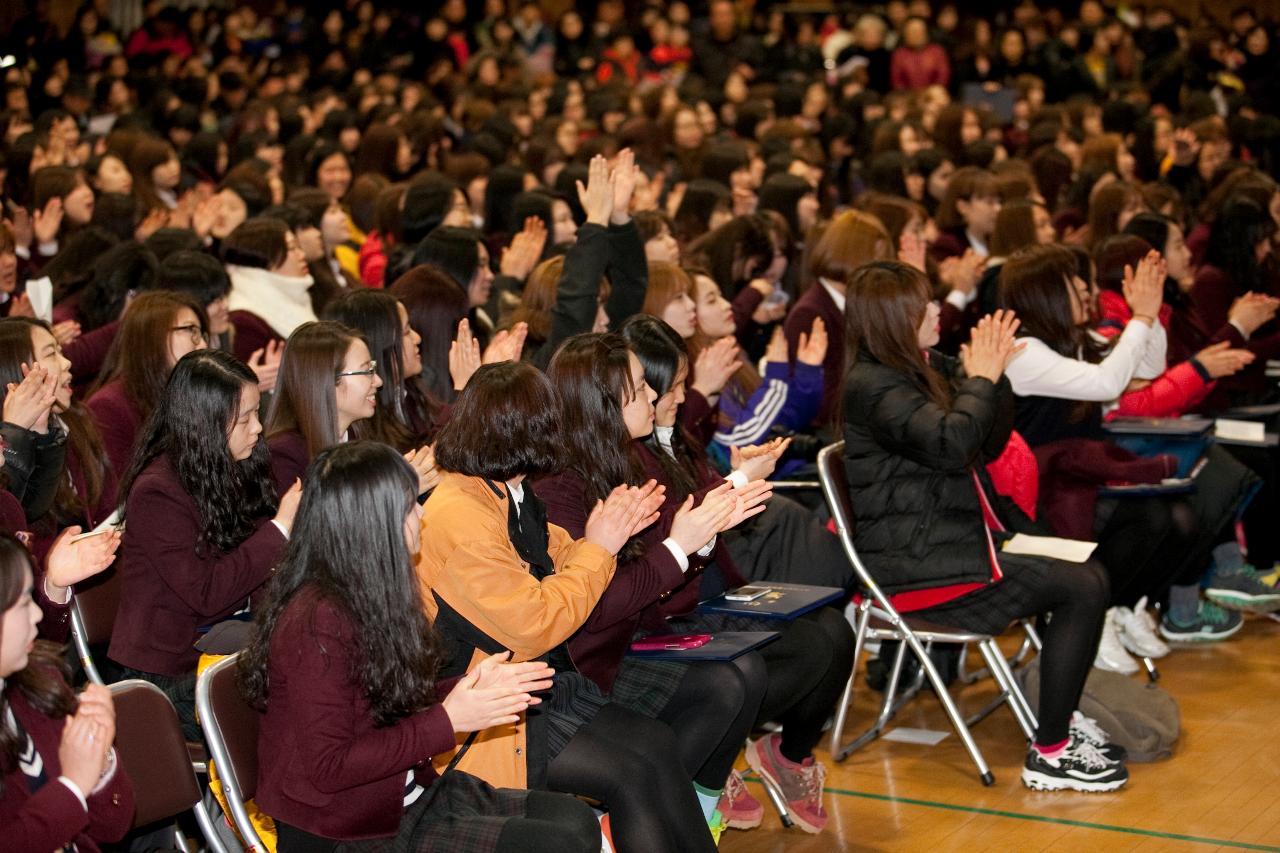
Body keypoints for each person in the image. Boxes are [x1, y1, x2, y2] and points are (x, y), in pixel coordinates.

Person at [840, 259, 1125, 792]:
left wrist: (996, 380)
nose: (937, 308)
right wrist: (981, 379)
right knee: (1081, 588)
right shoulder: (873, 386)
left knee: (1089, 569)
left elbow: (984, 444)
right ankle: (1051, 751)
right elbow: (952, 446)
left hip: (956, 545)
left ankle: (1057, 725)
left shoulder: (919, 365)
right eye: (926, 302)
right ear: (896, 315)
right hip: (918, 571)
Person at [239, 441, 601, 853]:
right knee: (553, 843)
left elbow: (383, 706)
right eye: (411, 505)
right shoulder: (317, 621)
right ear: (374, 523)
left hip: (397, 795)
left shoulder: (370, 591)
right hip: (345, 828)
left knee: (573, 822)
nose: (423, 514)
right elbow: (330, 766)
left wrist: (471, 688)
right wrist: (449, 719)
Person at [418, 360, 719, 853]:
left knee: (655, 745)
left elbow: (564, 553)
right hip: (487, 712)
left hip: (531, 685)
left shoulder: (507, 492)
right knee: (629, 773)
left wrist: (615, 538)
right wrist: (602, 547)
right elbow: (534, 624)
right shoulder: (458, 513)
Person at [618, 316, 856, 831]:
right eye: (676, 386)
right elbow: (674, 527)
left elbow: (701, 500)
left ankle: (786, 756)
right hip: (666, 613)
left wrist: (736, 478)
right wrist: (737, 482)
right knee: (751, 672)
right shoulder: (623, 455)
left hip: (709, 593)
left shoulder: (673, 437)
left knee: (834, 631)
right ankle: (713, 756)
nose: (686, 395)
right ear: (644, 390)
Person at [537, 331, 773, 836]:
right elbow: (594, 607)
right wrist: (683, 545)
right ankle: (642, 819)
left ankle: (668, 817)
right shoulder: (561, 483)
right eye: (641, 387)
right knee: (719, 689)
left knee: (735, 677)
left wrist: (700, 537)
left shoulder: (618, 458)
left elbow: (653, 574)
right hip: (582, 667)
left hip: (619, 644)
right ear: (603, 403)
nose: (654, 396)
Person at [108, 349, 301, 738]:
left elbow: (258, 569)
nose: (259, 428)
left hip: (228, 640)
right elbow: (207, 592)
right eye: (245, 418)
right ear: (205, 424)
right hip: (169, 673)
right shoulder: (157, 493)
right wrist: (281, 529)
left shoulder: (232, 461)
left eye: (257, 412)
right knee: (303, 691)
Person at [0, 530, 134, 853]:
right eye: (22, 605)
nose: (35, 614)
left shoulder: (39, 681)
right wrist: (73, 785)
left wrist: (98, 760)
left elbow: (114, 825)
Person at [86, 290, 209, 496]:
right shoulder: (109, 406)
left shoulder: (181, 394)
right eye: (191, 331)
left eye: (202, 334)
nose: (203, 345)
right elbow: (117, 497)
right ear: (154, 333)